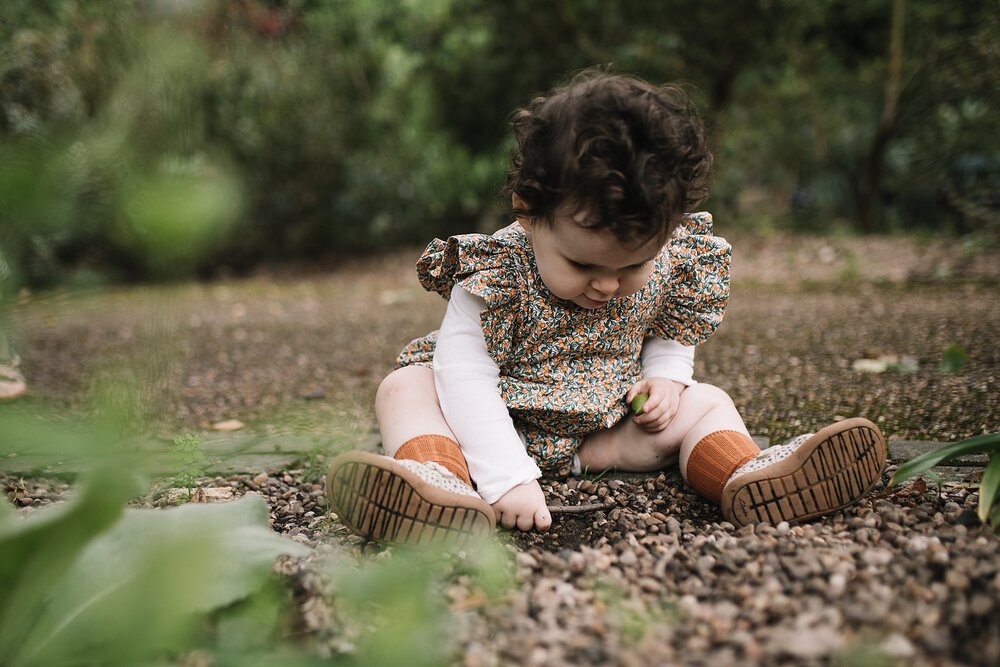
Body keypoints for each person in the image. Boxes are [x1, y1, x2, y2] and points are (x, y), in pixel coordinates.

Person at [326, 69, 887, 546]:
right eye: (583, 266)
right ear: (528, 212)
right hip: (492, 425)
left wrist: (666, 376)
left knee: (706, 401)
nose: (607, 287)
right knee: (406, 388)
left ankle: (744, 473)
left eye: (631, 268)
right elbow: (464, 376)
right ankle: (440, 483)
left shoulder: (669, 257)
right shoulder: (497, 273)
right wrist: (505, 478)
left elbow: (673, 324)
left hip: (604, 433)